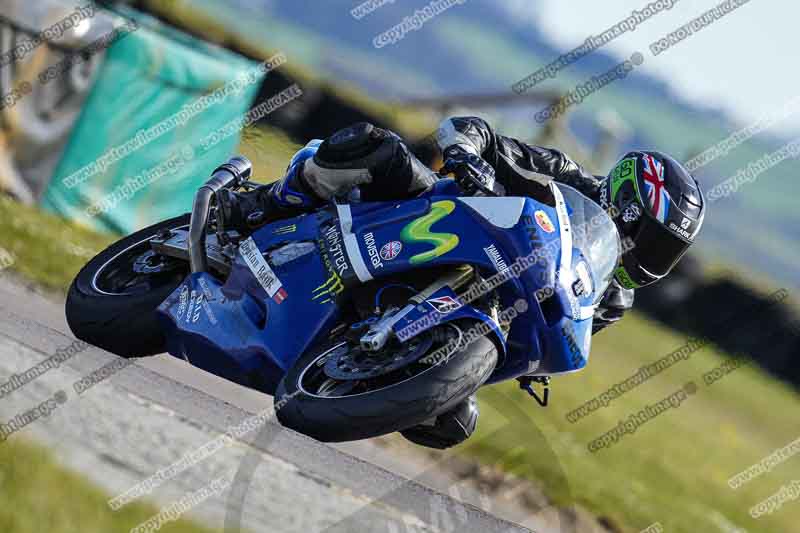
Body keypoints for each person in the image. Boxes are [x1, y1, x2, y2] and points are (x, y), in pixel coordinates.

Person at [219, 117, 706, 448]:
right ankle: (259, 206)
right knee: (379, 148)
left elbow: (561, 328)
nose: (652, 258)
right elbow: (474, 131)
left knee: (453, 422)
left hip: (477, 308)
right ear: (626, 202)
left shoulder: (614, 297)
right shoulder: (565, 175)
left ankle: (356, 357)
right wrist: (468, 154)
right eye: (653, 239)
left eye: (668, 251)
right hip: (435, 217)